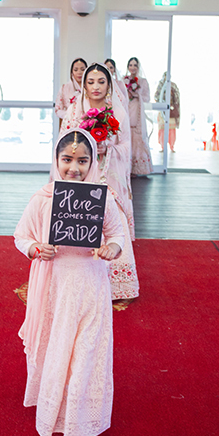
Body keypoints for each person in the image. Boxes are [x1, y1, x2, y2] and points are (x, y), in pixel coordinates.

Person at [14, 129, 124, 436]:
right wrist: (36, 248)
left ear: (93, 162)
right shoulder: (45, 198)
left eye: (82, 160)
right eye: (67, 160)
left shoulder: (102, 198)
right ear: (56, 160)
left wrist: (111, 248)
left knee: (88, 354)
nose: (73, 167)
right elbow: (21, 235)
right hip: (57, 288)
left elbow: (118, 234)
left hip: (92, 285)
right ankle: (53, 415)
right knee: (59, 350)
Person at [63, 63, 139, 300]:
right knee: (83, 223)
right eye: (91, 82)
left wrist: (109, 148)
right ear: (84, 85)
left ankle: (118, 284)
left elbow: (127, 147)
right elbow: (64, 143)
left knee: (114, 223)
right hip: (82, 175)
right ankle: (82, 282)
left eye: (101, 82)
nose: (96, 87)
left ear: (109, 85)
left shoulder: (119, 113)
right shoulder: (75, 111)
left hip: (110, 177)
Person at [123, 57, 154, 176]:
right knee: (127, 136)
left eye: (135, 65)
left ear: (138, 67)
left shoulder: (143, 81)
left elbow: (147, 98)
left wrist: (136, 94)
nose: (132, 67)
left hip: (137, 110)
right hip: (127, 109)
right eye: (130, 65)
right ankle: (126, 168)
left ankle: (137, 168)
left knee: (136, 138)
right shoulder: (124, 80)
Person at [155, 72, 180, 152]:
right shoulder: (161, 86)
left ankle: (172, 147)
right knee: (162, 130)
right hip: (163, 111)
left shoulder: (173, 85)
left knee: (171, 130)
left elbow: (177, 97)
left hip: (171, 111)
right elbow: (156, 96)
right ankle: (163, 147)